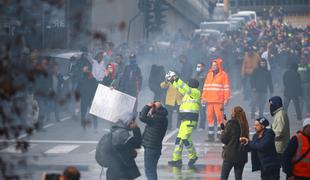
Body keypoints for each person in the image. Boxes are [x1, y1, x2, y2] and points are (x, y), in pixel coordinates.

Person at [166, 71, 201, 167]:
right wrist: (172, 81)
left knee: (185, 139)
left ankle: (193, 156)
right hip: (185, 119)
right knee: (179, 140)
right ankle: (176, 159)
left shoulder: (195, 92)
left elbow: (185, 87)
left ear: (192, 85)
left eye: (188, 83)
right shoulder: (187, 93)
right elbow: (179, 88)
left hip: (190, 120)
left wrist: (176, 78)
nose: (186, 84)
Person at [201, 58, 230, 141]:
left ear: (218, 66)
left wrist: (226, 98)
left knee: (220, 118)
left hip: (219, 100)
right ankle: (211, 136)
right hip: (209, 100)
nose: (213, 66)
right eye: (212, 65)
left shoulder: (224, 75)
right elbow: (205, 88)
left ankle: (220, 136)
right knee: (210, 118)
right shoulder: (209, 74)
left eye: (215, 65)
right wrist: (203, 98)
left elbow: (226, 88)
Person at [106, 112, 142, 180]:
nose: (135, 122)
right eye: (133, 121)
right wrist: (136, 128)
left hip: (112, 170)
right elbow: (137, 143)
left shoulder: (114, 131)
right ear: (129, 122)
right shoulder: (123, 135)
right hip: (122, 171)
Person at [139, 101, 168, 180]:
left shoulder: (155, 118)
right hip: (156, 148)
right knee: (152, 171)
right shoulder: (163, 118)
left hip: (151, 148)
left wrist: (147, 106)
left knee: (150, 172)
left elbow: (142, 117)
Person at [220, 106, 249, 180]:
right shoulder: (245, 124)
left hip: (230, 155)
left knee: (224, 176)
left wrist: (223, 131)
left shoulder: (231, 123)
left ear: (234, 113)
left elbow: (224, 139)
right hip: (241, 155)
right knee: (238, 177)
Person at [269, 96, 290, 165]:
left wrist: (269, 137)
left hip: (280, 147)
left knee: (279, 167)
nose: (270, 106)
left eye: (271, 104)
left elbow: (279, 132)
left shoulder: (280, 115)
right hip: (279, 146)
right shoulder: (279, 114)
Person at [76, 64, 97, 130]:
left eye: (86, 69)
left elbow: (96, 88)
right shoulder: (81, 79)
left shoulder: (92, 78)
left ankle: (95, 126)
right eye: (84, 69)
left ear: (89, 70)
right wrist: (78, 98)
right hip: (84, 98)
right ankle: (83, 126)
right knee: (83, 113)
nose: (85, 71)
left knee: (94, 113)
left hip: (91, 98)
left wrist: (94, 97)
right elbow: (78, 89)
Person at [193, 63, 207, 130]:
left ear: (203, 67)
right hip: (195, 95)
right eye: (197, 66)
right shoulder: (195, 73)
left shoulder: (205, 74)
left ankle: (202, 126)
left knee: (202, 111)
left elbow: (201, 80)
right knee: (195, 110)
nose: (198, 68)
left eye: (199, 66)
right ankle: (194, 125)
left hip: (203, 95)